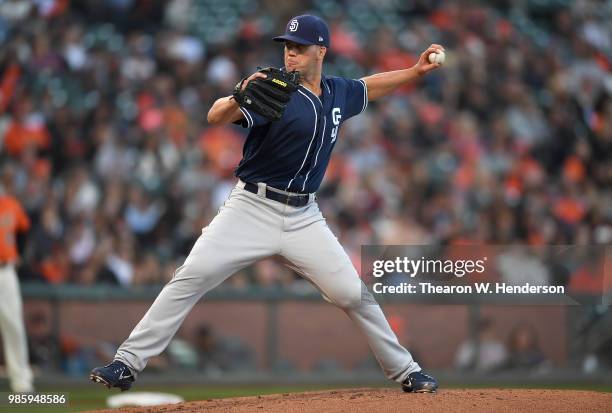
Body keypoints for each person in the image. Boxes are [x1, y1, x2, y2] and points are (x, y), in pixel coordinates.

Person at [91, 14, 443, 393]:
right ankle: (126, 362)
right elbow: (214, 116)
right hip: (251, 208)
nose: (290, 55)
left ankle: (407, 371)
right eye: (287, 48)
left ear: (321, 51)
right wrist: (239, 93)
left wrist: (413, 72)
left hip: (304, 216)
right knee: (190, 278)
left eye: (299, 48)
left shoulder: (338, 92)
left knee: (352, 294)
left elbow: (368, 87)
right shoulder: (272, 91)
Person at [0, 184, 35, 392]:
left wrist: (19, 254)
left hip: (5, 270)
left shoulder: (10, 205)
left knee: (13, 325)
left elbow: (24, 230)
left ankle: (21, 381)